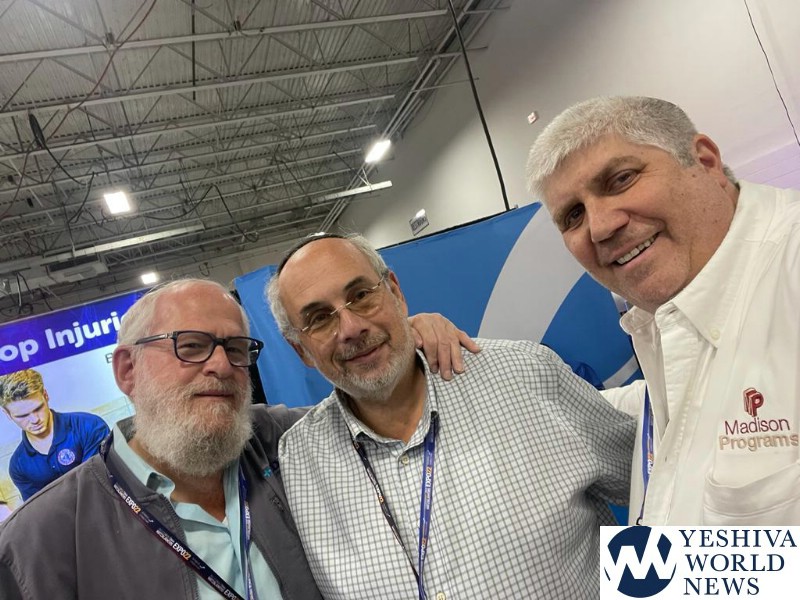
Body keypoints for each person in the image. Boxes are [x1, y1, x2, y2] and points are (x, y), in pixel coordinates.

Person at [0, 278, 473, 600]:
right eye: (190, 345)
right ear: (127, 370)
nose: (221, 366)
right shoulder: (40, 543)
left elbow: (374, 406)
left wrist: (406, 339)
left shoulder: (285, 443)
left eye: (235, 348)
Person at [267, 233, 635, 599]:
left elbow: (658, 486)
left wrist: (658, 592)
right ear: (301, 350)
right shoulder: (298, 461)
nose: (350, 328)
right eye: (319, 319)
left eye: (361, 295)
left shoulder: (526, 375)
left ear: (395, 291)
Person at [526, 96, 800, 525]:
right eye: (573, 215)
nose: (600, 227)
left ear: (705, 161)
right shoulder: (666, 322)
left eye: (620, 180)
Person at [0, 368, 110, 501]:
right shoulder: (18, 466)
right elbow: (38, 509)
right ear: (7, 414)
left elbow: (99, 483)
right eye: (22, 416)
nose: (35, 420)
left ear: (45, 395)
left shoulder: (89, 426)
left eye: (38, 408)